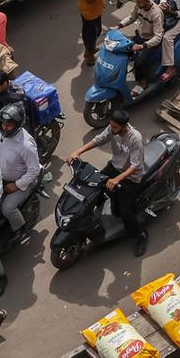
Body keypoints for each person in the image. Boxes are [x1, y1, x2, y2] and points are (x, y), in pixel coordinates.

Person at [66, 108, 149, 255]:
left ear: (124, 126)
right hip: (114, 168)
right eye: (111, 125)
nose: (112, 128)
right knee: (92, 187)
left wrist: (117, 179)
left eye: (115, 127)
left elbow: (136, 166)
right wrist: (78, 152)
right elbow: (98, 140)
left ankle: (140, 236)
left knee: (126, 213)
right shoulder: (112, 129)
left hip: (131, 178)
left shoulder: (135, 138)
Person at [0, 105, 40, 296]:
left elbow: (33, 170)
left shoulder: (26, 145)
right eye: (3, 124)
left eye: (9, 125)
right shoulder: (0, 134)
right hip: (2, 180)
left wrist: (16, 185)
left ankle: (19, 228)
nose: (4, 127)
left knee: (7, 208)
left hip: (20, 182)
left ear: (17, 124)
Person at [127, 0, 165, 89]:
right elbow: (131, 17)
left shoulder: (156, 13)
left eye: (140, 2)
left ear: (147, 0)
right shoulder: (138, 6)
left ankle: (142, 82)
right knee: (124, 51)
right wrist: (119, 25)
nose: (138, 4)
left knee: (139, 62)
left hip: (150, 41)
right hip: (140, 35)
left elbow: (158, 37)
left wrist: (143, 45)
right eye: (137, 2)